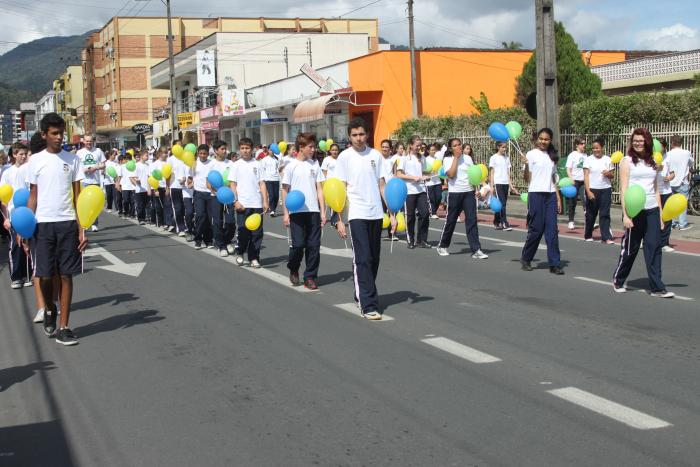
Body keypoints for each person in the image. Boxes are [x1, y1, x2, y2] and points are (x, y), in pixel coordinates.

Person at [27, 112, 87, 345]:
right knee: (43, 275)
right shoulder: (36, 161)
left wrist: (83, 229)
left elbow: (78, 196)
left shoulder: (73, 160)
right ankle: (50, 308)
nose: (59, 137)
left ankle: (64, 327)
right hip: (42, 225)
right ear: (44, 135)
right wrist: (26, 227)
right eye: (54, 133)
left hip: (67, 223)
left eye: (61, 133)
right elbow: (34, 195)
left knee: (66, 275)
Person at [335, 117, 395, 320]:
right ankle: (368, 304)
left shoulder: (376, 156)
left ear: (367, 135)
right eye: (354, 135)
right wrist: (340, 218)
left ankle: (361, 291)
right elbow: (340, 189)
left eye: (361, 134)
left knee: (374, 259)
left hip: (376, 213)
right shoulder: (344, 157)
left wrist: (392, 213)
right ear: (349, 137)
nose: (358, 138)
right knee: (363, 258)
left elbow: (382, 185)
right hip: (357, 214)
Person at [613, 128, 673, 298]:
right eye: (635, 140)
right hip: (634, 209)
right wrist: (626, 215)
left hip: (652, 209)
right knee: (630, 248)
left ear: (647, 141)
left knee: (654, 247)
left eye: (641, 140)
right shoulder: (627, 161)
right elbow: (623, 188)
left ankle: (657, 287)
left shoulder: (653, 161)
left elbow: (655, 189)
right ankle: (618, 279)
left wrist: (660, 214)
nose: (638, 143)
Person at [282, 133, 326, 290]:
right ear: (301, 148)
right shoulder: (290, 166)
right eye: (310, 147)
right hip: (296, 211)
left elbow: (320, 189)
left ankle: (310, 276)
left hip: (313, 210)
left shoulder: (315, 165)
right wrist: (286, 213)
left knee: (314, 245)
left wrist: (322, 211)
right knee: (298, 244)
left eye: (314, 146)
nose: (313, 149)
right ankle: (294, 267)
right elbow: (285, 190)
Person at [520, 128, 564, 275]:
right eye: (541, 138)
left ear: (550, 140)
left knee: (552, 231)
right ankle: (526, 258)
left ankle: (554, 263)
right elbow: (527, 179)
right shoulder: (531, 155)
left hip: (550, 195)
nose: (543, 141)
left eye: (546, 139)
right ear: (537, 139)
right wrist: (526, 165)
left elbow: (554, 178)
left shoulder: (552, 157)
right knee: (536, 229)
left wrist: (557, 197)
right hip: (535, 194)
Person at [436, 138, 488, 259]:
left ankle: (476, 249)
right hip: (455, 193)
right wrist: (456, 158)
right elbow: (451, 174)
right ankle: (442, 245)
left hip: (468, 192)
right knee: (451, 220)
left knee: (472, 220)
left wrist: (480, 188)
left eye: (459, 144)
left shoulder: (468, 158)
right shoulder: (448, 159)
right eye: (455, 145)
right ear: (451, 148)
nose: (459, 147)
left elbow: (475, 173)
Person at [229, 137, 268, 268]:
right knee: (243, 231)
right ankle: (240, 252)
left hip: (256, 204)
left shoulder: (257, 164)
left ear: (252, 150)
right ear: (239, 150)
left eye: (247, 148)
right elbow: (233, 184)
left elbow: (262, 183)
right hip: (242, 204)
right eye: (242, 148)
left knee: (257, 233)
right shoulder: (235, 165)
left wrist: (265, 201)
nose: (245, 151)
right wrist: (235, 201)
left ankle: (254, 257)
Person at [0, 142, 32, 289]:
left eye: (26, 154)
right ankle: (17, 276)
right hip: (14, 215)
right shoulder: (7, 172)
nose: (24, 156)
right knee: (16, 246)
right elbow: (3, 198)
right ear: (14, 154)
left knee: (30, 244)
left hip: (29, 213)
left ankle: (30, 274)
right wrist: (5, 218)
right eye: (21, 154)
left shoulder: (31, 170)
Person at [396, 135, 431, 249]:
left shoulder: (422, 158)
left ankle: (421, 240)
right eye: (417, 145)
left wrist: (427, 176)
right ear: (411, 145)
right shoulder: (404, 159)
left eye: (420, 145)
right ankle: (410, 240)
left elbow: (424, 172)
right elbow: (399, 174)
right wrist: (413, 178)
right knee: (410, 217)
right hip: (409, 191)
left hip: (421, 190)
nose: (419, 147)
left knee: (425, 214)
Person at [583, 137, 615, 244]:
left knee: (605, 213)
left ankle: (606, 237)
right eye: (594, 148)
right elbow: (586, 176)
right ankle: (588, 234)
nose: (596, 150)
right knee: (591, 214)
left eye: (597, 148)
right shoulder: (588, 160)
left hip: (605, 189)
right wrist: (588, 191)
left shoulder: (608, 159)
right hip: (592, 189)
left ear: (602, 148)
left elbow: (612, 176)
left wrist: (608, 174)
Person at [208, 140, 236, 256]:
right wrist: (216, 191)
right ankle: (221, 245)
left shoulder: (231, 163)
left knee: (230, 222)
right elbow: (208, 183)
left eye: (225, 149)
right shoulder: (211, 164)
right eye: (222, 149)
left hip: (229, 196)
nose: (224, 151)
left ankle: (227, 240)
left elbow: (234, 180)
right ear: (216, 151)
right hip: (215, 196)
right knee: (218, 221)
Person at [76, 135, 106, 232]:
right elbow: (76, 166)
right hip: (84, 181)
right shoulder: (79, 152)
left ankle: (94, 224)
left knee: (94, 204)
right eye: (87, 141)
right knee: (84, 203)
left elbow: (103, 164)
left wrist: (95, 168)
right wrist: (84, 170)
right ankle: (83, 224)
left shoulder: (98, 151)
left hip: (95, 181)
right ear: (83, 141)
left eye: (90, 141)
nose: (89, 143)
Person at [489, 141, 519, 231]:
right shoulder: (493, 158)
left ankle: (496, 221)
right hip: (498, 183)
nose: (504, 149)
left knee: (503, 204)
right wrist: (491, 186)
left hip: (505, 183)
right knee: (502, 203)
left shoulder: (506, 158)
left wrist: (511, 185)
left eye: (505, 147)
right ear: (498, 147)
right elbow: (492, 172)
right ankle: (504, 222)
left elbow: (507, 173)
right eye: (503, 147)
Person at [666, 135, 694, 231]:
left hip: (670, 181)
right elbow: (691, 163)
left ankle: (672, 223)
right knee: (682, 203)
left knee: (671, 203)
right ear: (681, 143)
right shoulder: (686, 153)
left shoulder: (668, 154)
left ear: (672, 142)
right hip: (683, 181)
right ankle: (682, 223)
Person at [192, 144, 214, 250]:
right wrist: (189, 182)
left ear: (208, 154)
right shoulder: (194, 163)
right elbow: (190, 177)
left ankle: (208, 240)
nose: (202, 155)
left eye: (204, 153)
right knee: (200, 216)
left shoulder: (212, 163)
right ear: (198, 153)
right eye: (200, 153)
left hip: (210, 193)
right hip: (199, 193)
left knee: (209, 218)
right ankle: (197, 239)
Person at [565, 138, 587, 230]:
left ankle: (589, 221)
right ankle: (571, 221)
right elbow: (568, 169)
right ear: (577, 145)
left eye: (584, 143)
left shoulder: (586, 155)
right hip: (574, 181)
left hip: (583, 182)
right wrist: (571, 179)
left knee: (586, 201)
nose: (584, 145)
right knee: (572, 202)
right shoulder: (572, 155)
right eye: (582, 143)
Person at [658, 142, 675, 253]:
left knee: (667, 218)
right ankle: (647, 240)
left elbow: (673, 173)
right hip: (653, 192)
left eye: (661, 146)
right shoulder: (650, 157)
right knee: (652, 218)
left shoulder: (669, 158)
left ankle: (664, 243)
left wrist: (669, 178)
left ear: (664, 147)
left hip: (666, 191)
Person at [261, 143, 281, 216]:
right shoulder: (264, 159)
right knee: (271, 195)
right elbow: (262, 169)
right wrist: (263, 179)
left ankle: (273, 208)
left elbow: (278, 169)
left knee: (276, 196)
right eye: (270, 150)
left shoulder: (277, 159)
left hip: (276, 179)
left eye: (272, 150)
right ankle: (272, 210)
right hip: (268, 179)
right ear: (268, 150)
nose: (271, 151)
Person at [425, 143, 443, 219]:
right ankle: (433, 213)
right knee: (431, 198)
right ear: (428, 151)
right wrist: (429, 172)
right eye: (432, 150)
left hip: (437, 181)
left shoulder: (437, 159)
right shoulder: (426, 159)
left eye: (434, 150)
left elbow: (441, 168)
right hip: (430, 182)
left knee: (439, 197)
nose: (433, 151)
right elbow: (423, 170)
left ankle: (433, 211)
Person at [133, 149, 150, 225]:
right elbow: (134, 176)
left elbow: (149, 176)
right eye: (146, 155)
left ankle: (147, 217)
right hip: (139, 189)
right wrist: (137, 180)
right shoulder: (136, 165)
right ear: (141, 156)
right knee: (140, 204)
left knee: (147, 204)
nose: (148, 157)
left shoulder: (147, 165)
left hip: (147, 188)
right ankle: (141, 218)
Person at [103, 149, 118, 214]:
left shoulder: (115, 164)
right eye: (114, 155)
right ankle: (109, 207)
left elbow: (117, 173)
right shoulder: (106, 163)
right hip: (107, 181)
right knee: (109, 195)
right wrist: (103, 172)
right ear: (110, 155)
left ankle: (117, 208)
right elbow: (102, 172)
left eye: (115, 155)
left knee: (115, 195)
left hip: (114, 181)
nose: (114, 156)